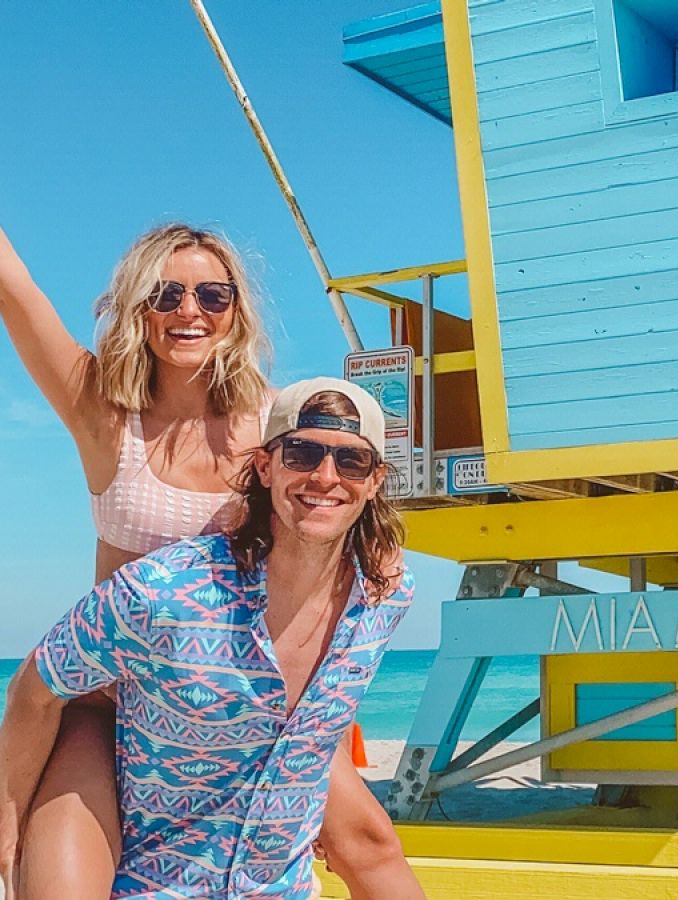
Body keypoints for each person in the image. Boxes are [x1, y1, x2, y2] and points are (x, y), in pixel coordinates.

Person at [0, 225, 416, 897]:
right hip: (111, 702)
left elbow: (342, 483)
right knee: (54, 881)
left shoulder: (271, 427)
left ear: (235, 311)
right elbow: (14, 287)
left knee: (368, 842)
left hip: (239, 704)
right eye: (166, 294)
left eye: (212, 294)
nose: (189, 311)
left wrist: (384, 557)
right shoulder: (103, 409)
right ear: (139, 307)